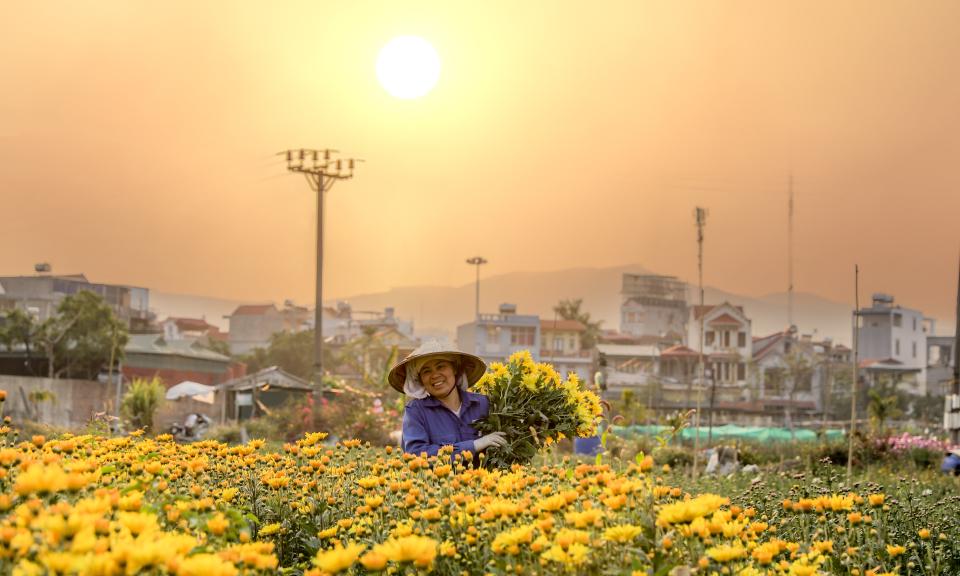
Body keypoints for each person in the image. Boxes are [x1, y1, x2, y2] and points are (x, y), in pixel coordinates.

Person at [388, 339, 507, 464]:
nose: (435, 375)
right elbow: (416, 455)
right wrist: (474, 445)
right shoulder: (416, 411)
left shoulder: (483, 404)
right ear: (420, 379)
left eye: (441, 366)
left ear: (455, 369)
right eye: (426, 371)